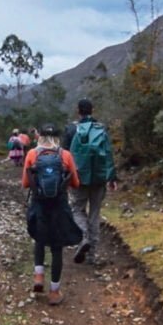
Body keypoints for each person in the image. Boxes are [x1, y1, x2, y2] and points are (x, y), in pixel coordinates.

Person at [22, 124, 83, 305]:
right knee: (57, 248)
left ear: (39, 136)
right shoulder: (65, 155)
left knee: (39, 239)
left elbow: (25, 183)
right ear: (58, 137)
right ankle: (54, 292)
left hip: (39, 205)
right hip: (59, 206)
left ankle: (39, 276)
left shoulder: (32, 154)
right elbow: (76, 183)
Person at [62, 98, 118, 266]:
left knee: (77, 209)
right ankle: (92, 256)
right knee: (95, 214)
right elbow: (108, 154)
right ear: (92, 110)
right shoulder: (101, 129)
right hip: (99, 179)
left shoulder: (71, 129)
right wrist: (112, 177)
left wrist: (65, 179)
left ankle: (83, 236)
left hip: (79, 178)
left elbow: (65, 156)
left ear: (78, 111)